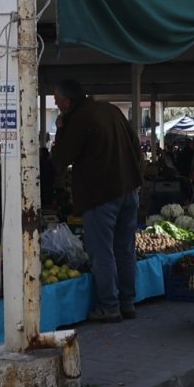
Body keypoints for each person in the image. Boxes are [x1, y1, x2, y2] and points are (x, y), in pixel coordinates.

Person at [51, 79, 143, 323]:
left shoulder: (79, 120)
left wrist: (60, 128)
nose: (56, 104)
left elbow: (61, 158)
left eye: (57, 101)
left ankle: (109, 306)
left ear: (68, 102)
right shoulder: (111, 109)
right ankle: (128, 302)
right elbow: (136, 146)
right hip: (128, 189)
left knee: (102, 251)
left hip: (101, 194)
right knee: (125, 248)